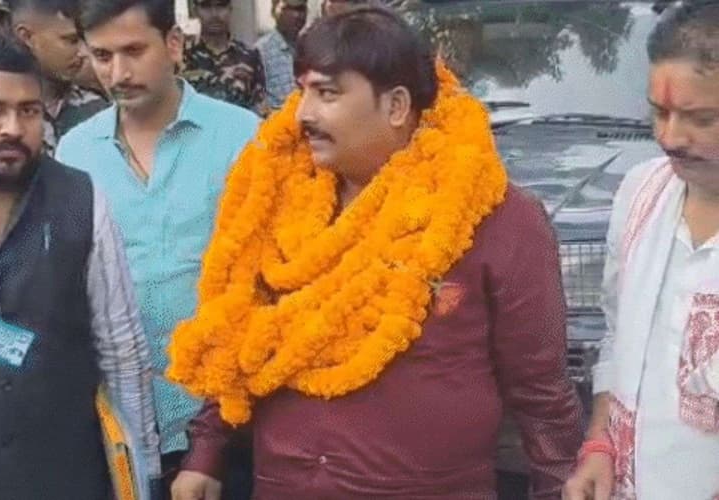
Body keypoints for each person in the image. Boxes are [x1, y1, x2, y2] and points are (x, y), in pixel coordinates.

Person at [168, 7, 583, 500]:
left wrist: (560, 487)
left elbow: (541, 393)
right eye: (302, 91)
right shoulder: (276, 203)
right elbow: (240, 334)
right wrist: (206, 454)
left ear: (396, 106)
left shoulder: (498, 218)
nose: (302, 114)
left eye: (327, 94)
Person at [55, 0, 259, 495]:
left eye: (133, 51)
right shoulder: (75, 153)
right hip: (126, 428)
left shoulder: (242, 137)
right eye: (102, 56)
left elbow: (268, 280)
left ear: (173, 44)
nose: (118, 73)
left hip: (232, 417)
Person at [0, 32, 160, 499]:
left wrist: (143, 477)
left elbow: (123, 353)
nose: (12, 128)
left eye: (28, 111)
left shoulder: (81, 200)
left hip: (67, 475)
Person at [564, 3, 719, 500]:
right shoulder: (640, 195)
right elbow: (618, 336)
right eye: (659, 112)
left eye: (701, 119)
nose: (670, 138)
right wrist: (599, 445)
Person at [8, 0, 108, 152]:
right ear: (27, 37)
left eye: (85, 40)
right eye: (71, 40)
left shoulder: (96, 108)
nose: (83, 52)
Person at [182, 0, 266, 114]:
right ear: (195, 10)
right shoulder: (182, 55)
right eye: (206, 6)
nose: (214, 14)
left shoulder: (249, 56)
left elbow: (259, 109)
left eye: (221, 5)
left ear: (230, 9)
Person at [255, 0, 306, 110]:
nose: (296, 15)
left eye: (301, 9)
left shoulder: (310, 46)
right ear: (274, 11)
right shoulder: (261, 51)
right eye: (289, 9)